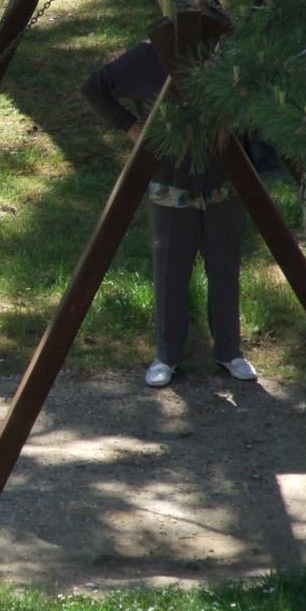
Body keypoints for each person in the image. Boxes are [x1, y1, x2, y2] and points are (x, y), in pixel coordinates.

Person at [80, 41, 257, 387]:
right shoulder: (149, 56)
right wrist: (130, 126)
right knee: (171, 271)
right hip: (171, 184)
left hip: (223, 184)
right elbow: (93, 88)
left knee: (225, 267)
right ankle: (167, 356)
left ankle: (229, 350)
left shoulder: (230, 54)